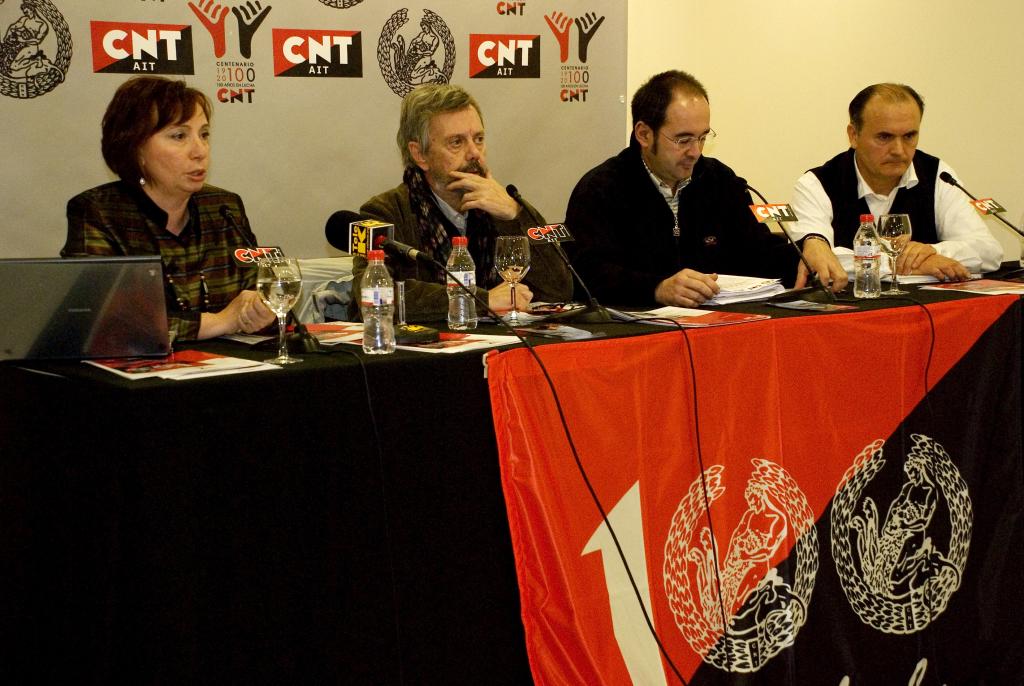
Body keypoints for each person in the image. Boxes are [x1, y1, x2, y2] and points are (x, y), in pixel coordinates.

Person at [62, 76, 275, 341]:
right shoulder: (99, 213)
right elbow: (101, 318)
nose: (200, 151)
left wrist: (263, 309)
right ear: (135, 147)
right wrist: (221, 321)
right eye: (179, 136)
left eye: (204, 134)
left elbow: (263, 292)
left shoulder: (224, 208)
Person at [564, 70, 795, 308]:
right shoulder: (601, 189)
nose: (695, 152)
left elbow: (759, 253)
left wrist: (807, 251)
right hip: (637, 335)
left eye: (703, 137)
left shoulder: (720, 181)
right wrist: (656, 288)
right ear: (644, 134)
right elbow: (585, 275)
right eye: (683, 140)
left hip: (721, 328)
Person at [353, 83, 571, 322]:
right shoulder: (382, 213)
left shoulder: (502, 203)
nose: (474, 153)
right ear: (420, 155)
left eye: (478, 139)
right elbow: (371, 293)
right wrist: (480, 300)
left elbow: (559, 290)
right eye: (456, 142)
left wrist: (515, 214)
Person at [790, 83, 1003, 291]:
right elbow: (818, 261)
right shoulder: (817, 183)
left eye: (909, 136)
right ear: (853, 135)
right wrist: (903, 263)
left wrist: (930, 251)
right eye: (884, 137)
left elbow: (989, 251)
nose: (899, 150)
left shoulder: (937, 173)